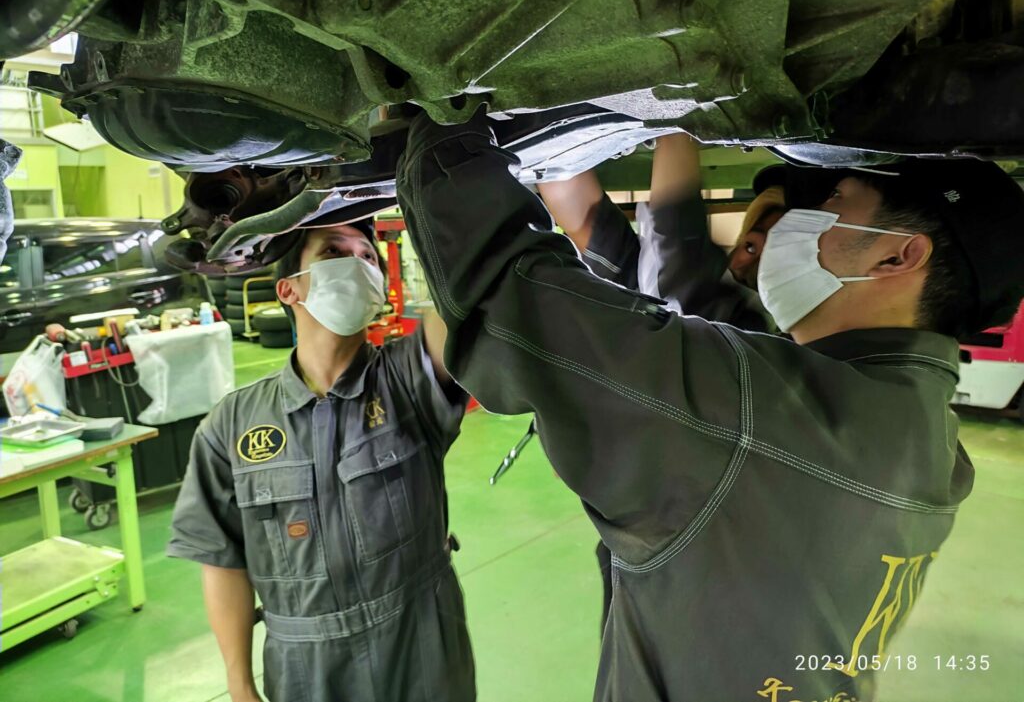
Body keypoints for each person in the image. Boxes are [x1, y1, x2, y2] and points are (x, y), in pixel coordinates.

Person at [395, 108, 1024, 702]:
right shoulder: (922, 435)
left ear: (898, 254)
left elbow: (512, 300)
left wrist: (442, 123)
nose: (799, 222)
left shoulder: (770, 417)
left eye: (835, 203)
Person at [167, 219, 475, 702]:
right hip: (305, 667)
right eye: (334, 252)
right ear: (289, 289)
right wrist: (240, 683)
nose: (357, 263)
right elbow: (221, 559)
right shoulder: (233, 423)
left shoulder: (409, 378)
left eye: (368, 257)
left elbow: (461, 305)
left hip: (421, 646)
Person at [539, 134, 786, 628]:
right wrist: (553, 142)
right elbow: (595, 228)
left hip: (693, 556)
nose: (746, 259)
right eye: (749, 243)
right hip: (654, 546)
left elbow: (675, 239)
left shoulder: (757, 337)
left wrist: (676, 108)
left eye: (772, 248)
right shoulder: (681, 300)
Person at [538, 133, 786, 330]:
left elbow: (678, 235)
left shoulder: (747, 327)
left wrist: (677, 119)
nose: (749, 260)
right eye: (751, 245)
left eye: (772, 254)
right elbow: (588, 222)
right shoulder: (654, 294)